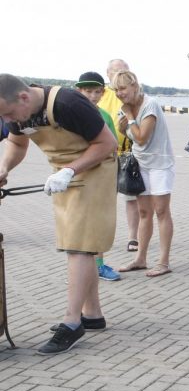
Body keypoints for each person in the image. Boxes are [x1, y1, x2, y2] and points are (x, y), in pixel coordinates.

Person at [0, 74, 117, 354]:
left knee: (79, 246)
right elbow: (17, 144)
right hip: (63, 176)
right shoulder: (19, 113)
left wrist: (70, 170)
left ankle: (72, 322)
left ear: (24, 97)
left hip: (95, 170)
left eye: (7, 114)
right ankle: (92, 315)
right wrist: (4, 169)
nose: (7, 120)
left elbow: (107, 143)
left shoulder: (67, 103)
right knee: (75, 241)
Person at [113, 70, 175, 278]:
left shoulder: (151, 104)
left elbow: (141, 137)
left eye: (122, 88)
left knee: (161, 211)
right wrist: (126, 128)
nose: (119, 94)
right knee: (143, 213)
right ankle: (140, 258)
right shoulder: (124, 109)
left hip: (160, 163)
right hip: (139, 164)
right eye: (116, 90)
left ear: (134, 86)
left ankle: (163, 262)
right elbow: (130, 134)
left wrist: (130, 118)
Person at [74, 72, 122, 282]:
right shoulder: (71, 115)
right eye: (87, 91)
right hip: (78, 178)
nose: (92, 96)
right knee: (78, 224)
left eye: (96, 91)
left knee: (99, 224)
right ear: (79, 92)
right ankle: (77, 270)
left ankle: (99, 265)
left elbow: (113, 148)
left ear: (102, 93)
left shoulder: (105, 116)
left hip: (101, 178)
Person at [97, 59, 140, 253]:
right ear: (108, 73)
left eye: (124, 71)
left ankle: (133, 237)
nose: (120, 75)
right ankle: (101, 236)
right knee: (104, 198)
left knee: (130, 197)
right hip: (104, 155)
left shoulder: (132, 96)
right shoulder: (102, 95)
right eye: (116, 71)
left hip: (127, 154)